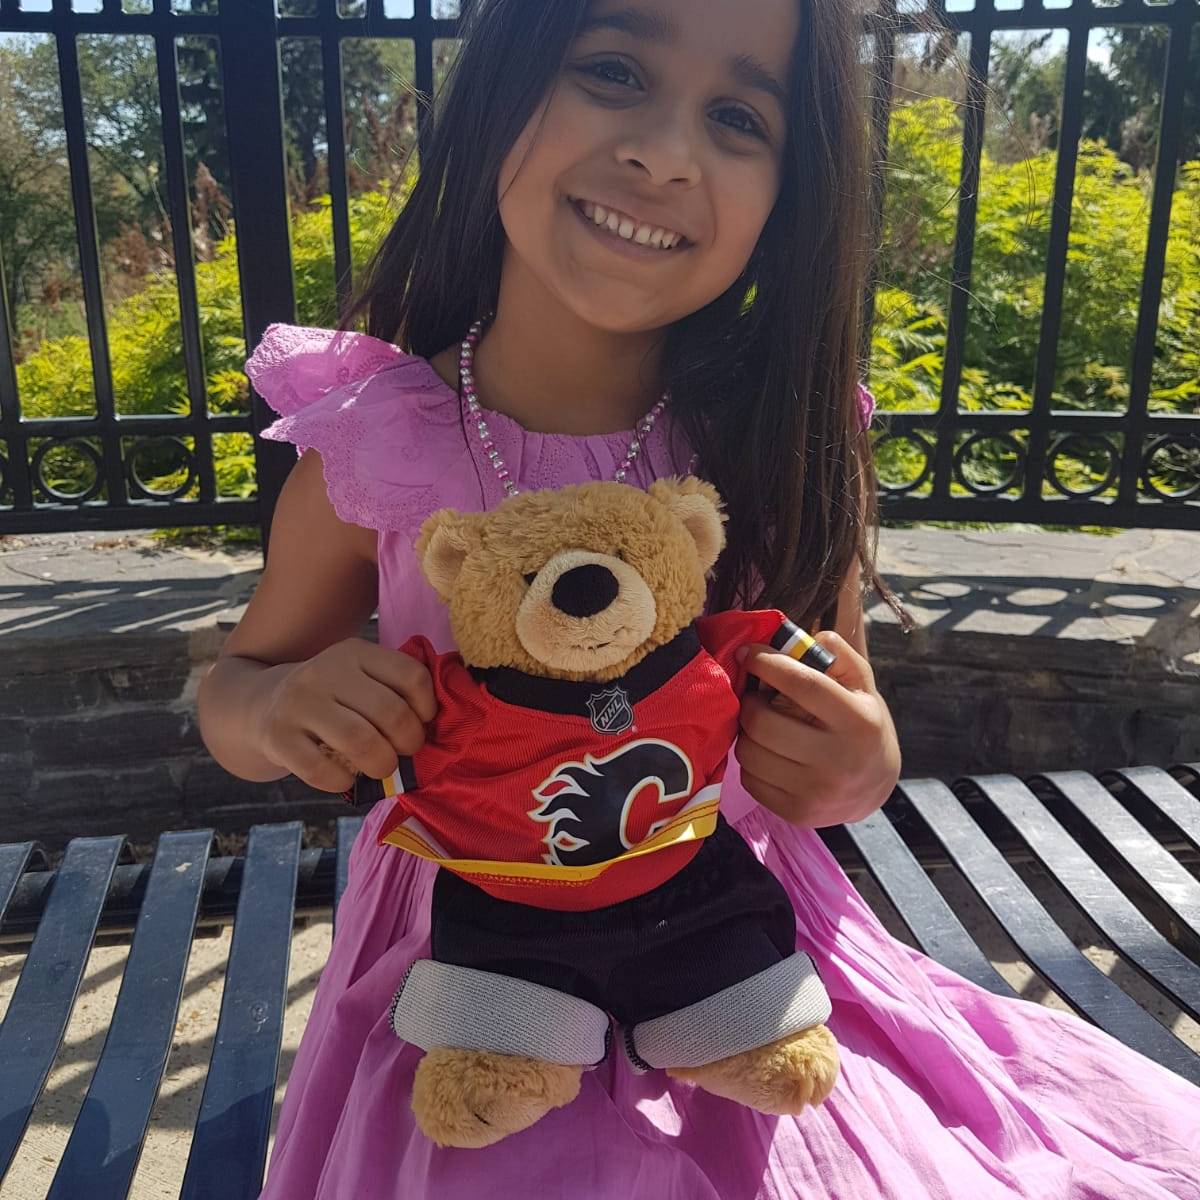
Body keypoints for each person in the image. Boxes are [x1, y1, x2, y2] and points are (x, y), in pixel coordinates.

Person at [197, 1, 1200, 1196]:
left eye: (737, 117)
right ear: (501, 88)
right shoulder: (376, 446)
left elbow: (843, 702)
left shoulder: (777, 442)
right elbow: (237, 690)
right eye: (614, 71)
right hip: (466, 969)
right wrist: (280, 711)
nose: (667, 154)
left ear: (793, 193)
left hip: (739, 949)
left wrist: (856, 764)